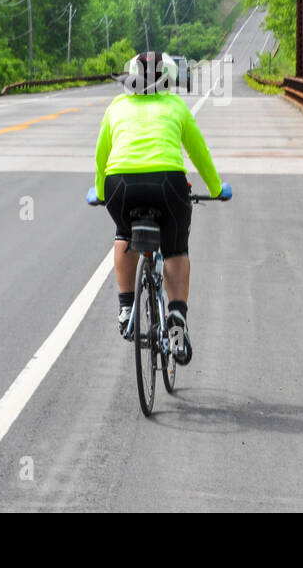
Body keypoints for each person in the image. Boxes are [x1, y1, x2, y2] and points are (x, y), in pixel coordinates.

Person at [89, 51, 230, 365]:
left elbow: (102, 155)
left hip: (120, 187)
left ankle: (126, 309)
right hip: (167, 185)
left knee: (124, 234)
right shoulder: (175, 106)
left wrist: (100, 192)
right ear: (167, 81)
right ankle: (176, 320)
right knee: (176, 248)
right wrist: (217, 189)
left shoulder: (116, 107)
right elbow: (199, 153)